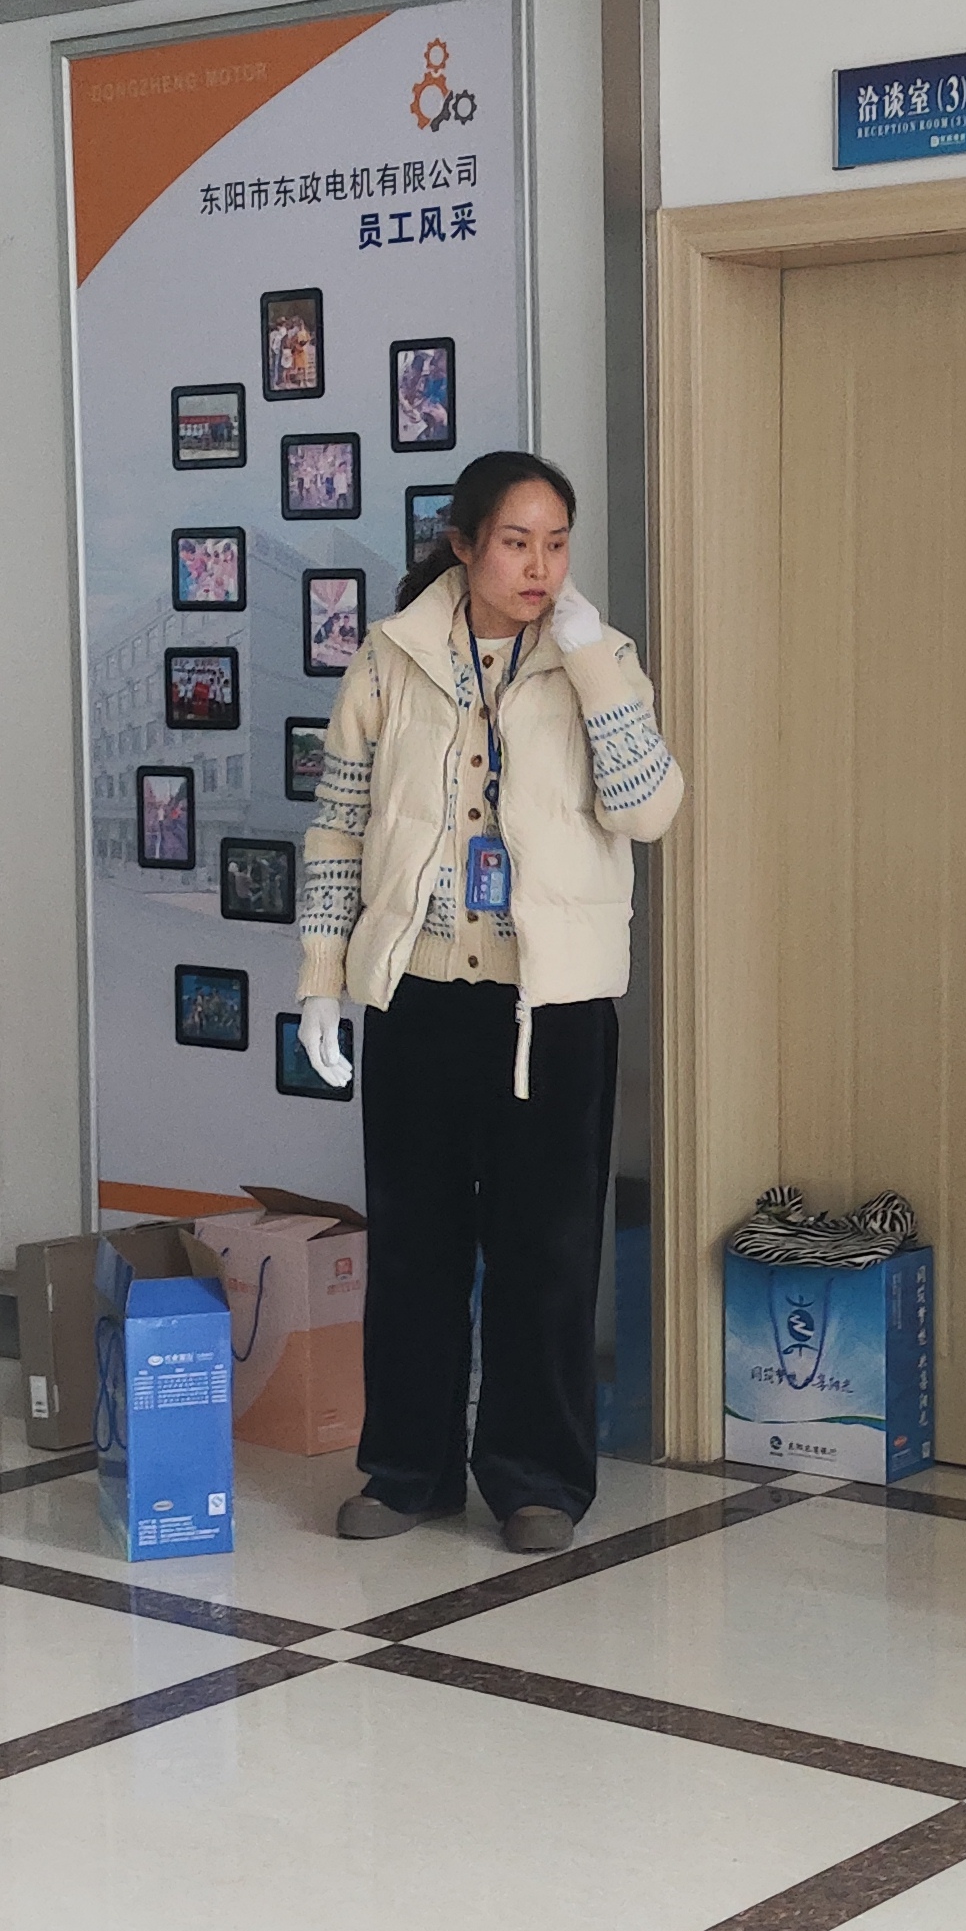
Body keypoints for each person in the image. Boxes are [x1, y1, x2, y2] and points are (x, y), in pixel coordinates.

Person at [295, 450, 681, 1554]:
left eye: (556, 543)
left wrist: (592, 662)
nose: (539, 566)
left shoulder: (600, 657)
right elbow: (338, 825)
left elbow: (649, 810)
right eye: (516, 542)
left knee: (546, 1253)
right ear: (463, 545)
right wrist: (322, 979)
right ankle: (406, 1469)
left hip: (551, 1008)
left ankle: (535, 1478)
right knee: (414, 1246)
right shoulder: (390, 657)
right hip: (419, 996)